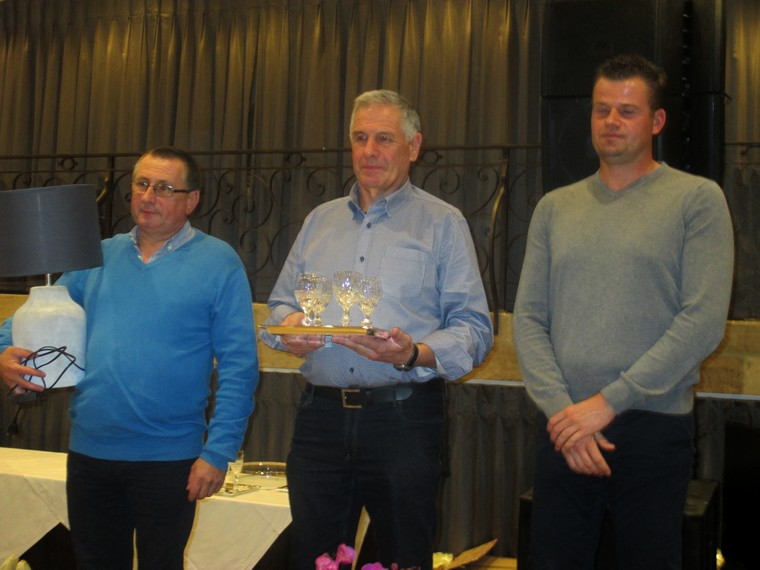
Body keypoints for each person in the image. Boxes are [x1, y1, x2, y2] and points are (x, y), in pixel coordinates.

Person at [513, 53, 734, 569]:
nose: (611, 121)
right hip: (564, 423)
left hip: (651, 426)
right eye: (602, 109)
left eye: (627, 111)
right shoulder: (554, 208)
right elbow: (529, 319)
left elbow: (702, 323)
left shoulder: (698, 201)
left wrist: (607, 403)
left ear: (657, 121)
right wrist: (565, 413)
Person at [260, 89, 493, 570]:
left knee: (401, 559)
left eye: (384, 138)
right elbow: (279, 306)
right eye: (360, 137)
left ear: (414, 146)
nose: (369, 151)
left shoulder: (443, 223)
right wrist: (290, 327)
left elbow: (474, 328)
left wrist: (413, 354)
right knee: (315, 559)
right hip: (320, 420)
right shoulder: (319, 221)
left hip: (403, 420)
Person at [0, 146, 259, 569]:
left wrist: (218, 453)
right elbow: (32, 317)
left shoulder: (219, 263)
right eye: (142, 184)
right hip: (91, 455)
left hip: (170, 459)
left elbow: (239, 367)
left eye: (164, 188)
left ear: (191, 200)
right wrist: (2, 353)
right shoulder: (95, 256)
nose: (148, 196)